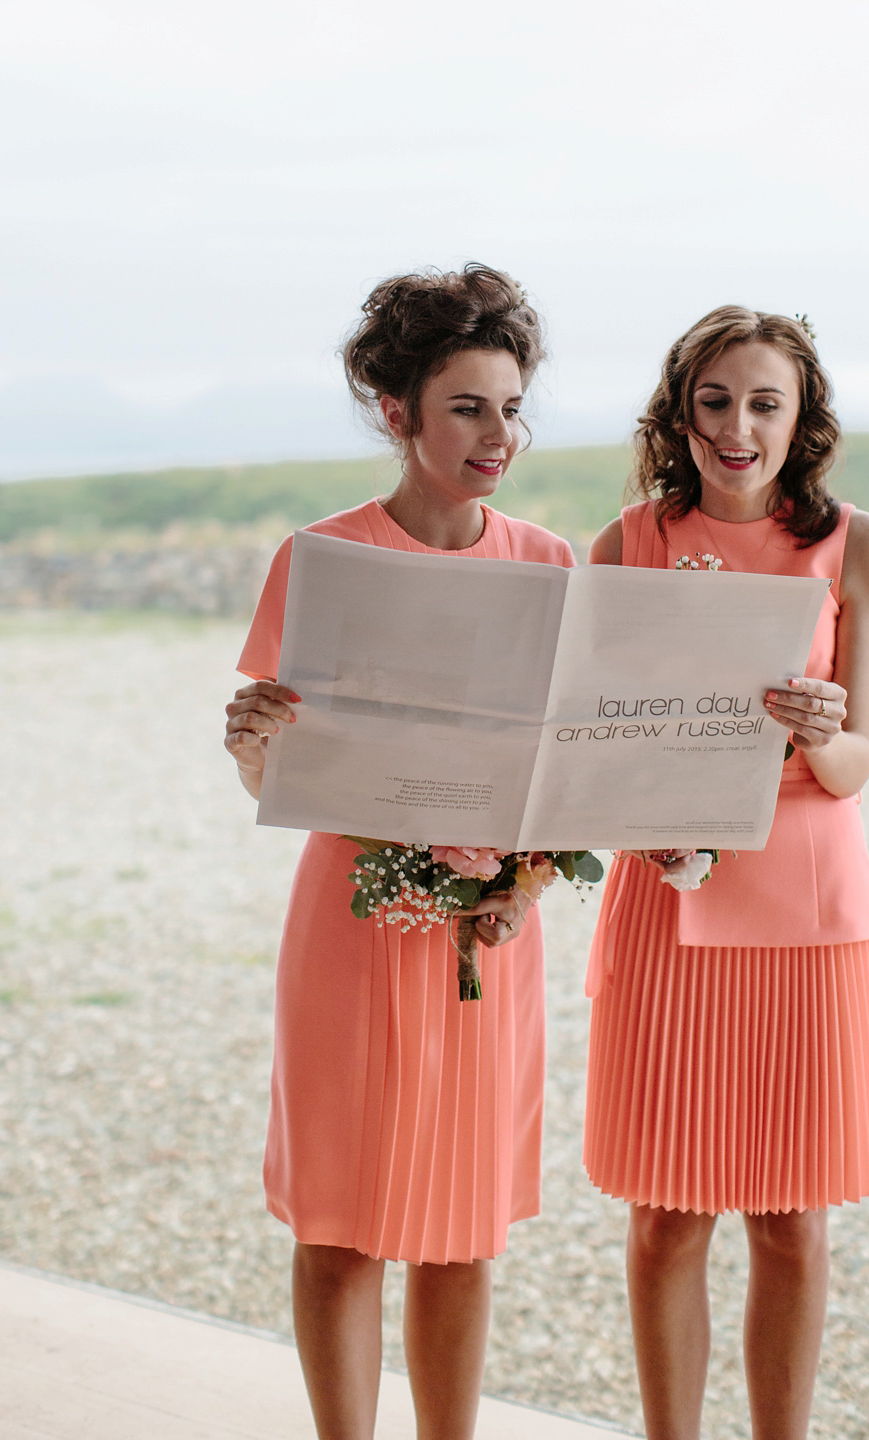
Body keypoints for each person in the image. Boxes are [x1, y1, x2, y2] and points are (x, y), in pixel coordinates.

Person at [224, 264, 575, 1440]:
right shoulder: (320, 557)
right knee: (340, 1226)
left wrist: (521, 887)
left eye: (512, 407)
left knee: (462, 1230)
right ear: (397, 411)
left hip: (492, 930)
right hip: (352, 925)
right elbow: (283, 777)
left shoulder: (547, 565)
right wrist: (250, 745)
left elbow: (561, 774)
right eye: (469, 407)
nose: (498, 435)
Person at [583, 307, 869, 1440]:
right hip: (670, 910)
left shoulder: (857, 542)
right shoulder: (627, 544)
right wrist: (639, 823)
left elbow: (858, 765)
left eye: (765, 401)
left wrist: (819, 731)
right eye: (716, 400)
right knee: (665, 1218)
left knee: (790, 1222)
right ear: (681, 412)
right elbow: (590, 745)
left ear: (802, 415)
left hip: (809, 912)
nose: (738, 425)